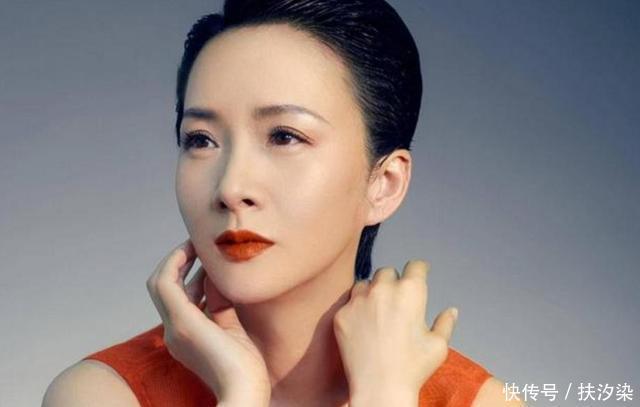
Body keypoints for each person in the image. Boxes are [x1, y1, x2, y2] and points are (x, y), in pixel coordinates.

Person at [43, 1, 524, 406]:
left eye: (284, 136)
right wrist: (242, 392)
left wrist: (384, 395)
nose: (231, 187)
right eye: (201, 140)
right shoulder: (104, 394)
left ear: (384, 183)